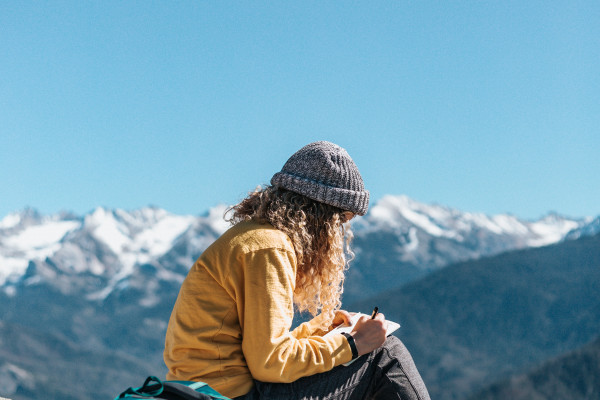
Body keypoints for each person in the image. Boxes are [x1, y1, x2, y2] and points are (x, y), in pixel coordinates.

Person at [163, 141, 430, 400]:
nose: (339, 233)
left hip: (210, 387)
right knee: (385, 353)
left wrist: (321, 329)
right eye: (341, 221)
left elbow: (258, 347)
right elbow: (270, 362)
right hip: (232, 394)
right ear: (321, 217)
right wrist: (352, 344)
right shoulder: (270, 249)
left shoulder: (253, 239)